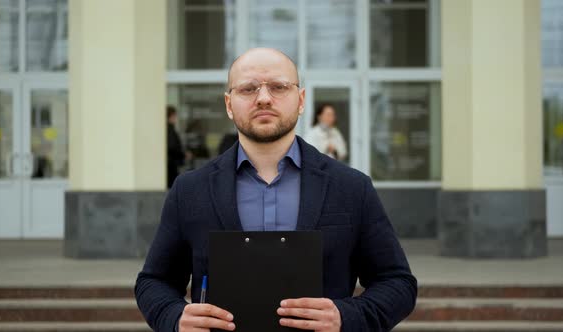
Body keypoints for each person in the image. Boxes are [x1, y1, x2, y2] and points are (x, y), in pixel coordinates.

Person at [135, 48, 417, 332]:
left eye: (279, 87)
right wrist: (174, 318)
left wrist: (346, 316)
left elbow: (397, 283)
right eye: (248, 89)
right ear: (229, 104)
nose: (264, 98)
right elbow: (154, 282)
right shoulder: (190, 190)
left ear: (301, 100)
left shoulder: (351, 187)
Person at [167, 106, 185, 188]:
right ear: (171, 116)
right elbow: (172, 146)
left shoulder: (166, 129)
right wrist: (183, 154)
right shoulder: (169, 129)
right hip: (171, 165)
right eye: (175, 116)